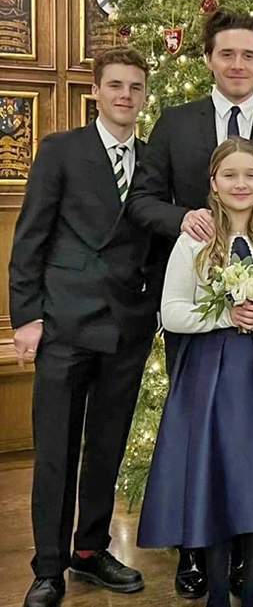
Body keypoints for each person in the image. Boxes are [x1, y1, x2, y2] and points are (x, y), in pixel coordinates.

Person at [127, 8, 253, 597]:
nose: (238, 64)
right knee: (201, 435)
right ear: (209, 58)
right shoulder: (175, 122)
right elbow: (143, 201)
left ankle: (246, 562)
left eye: (249, 55)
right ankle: (195, 553)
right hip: (198, 307)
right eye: (227, 53)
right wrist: (187, 221)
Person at [9, 47, 162, 607]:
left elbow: (159, 240)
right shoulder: (61, 150)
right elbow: (31, 236)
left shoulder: (154, 161)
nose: (125, 95)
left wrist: (154, 309)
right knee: (55, 450)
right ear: (95, 91)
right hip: (63, 324)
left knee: (106, 447)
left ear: (145, 95)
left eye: (135, 87)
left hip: (127, 326)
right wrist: (26, 317)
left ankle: (91, 551)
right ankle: (48, 567)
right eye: (115, 85)